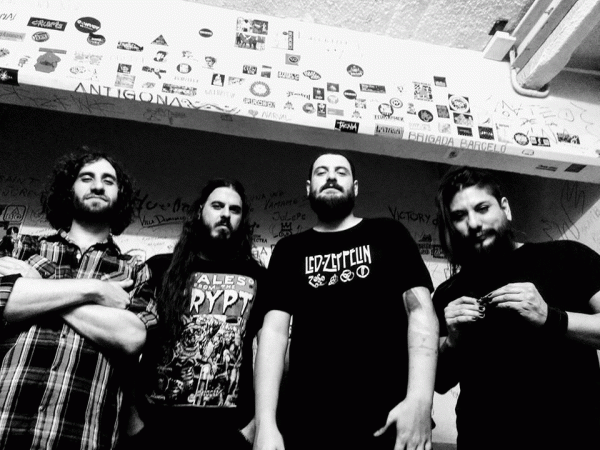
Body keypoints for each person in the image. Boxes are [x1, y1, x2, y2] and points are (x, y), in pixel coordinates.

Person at [254, 152, 439, 450]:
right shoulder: (289, 250)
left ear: (355, 187)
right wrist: (265, 423)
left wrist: (420, 400)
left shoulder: (389, 233)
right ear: (308, 188)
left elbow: (420, 310)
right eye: (321, 172)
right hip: (308, 426)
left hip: (388, 423)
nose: (331, 176)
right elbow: (273, 334)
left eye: (341, 172)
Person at [0, 147, 157, 449]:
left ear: (120, 196)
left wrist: (38, 286)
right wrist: (94, 290)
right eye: (87, 178)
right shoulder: (20, 247)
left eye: (108, 181)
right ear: (68, 189)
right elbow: (5, 302)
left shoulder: (135, 270)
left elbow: (131, 337)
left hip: (83, 434)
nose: (98, 186)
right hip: (7, 420)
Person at [433, 166, 600, 450]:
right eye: (459, 216)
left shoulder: (566, 257)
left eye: (482, 208)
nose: (473, 223)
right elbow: (439, 381)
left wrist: (551, 318)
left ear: (505, 208)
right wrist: (453, 342)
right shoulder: (449, 293)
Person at [128, 179, 266, 449]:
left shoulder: (256, 275)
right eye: (217, 206)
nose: (225, 214)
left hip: (229, 433)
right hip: (154, 428)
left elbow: (270, 351)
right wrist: (131, 413)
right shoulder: (160, 268)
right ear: (201, 210)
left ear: (242, 219)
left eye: (234, 210)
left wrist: (254, 425)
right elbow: (127, 340)